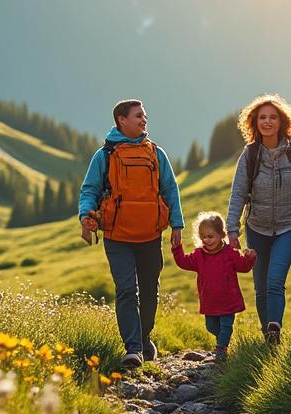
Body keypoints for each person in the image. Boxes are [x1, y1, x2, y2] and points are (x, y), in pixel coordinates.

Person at [78, 99, 184, 369]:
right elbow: (89, 190)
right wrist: (86, 217)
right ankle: (133, 348)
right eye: (138, 116)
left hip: (150, 234)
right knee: (126, 290)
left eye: (144, 115)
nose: (144, 120)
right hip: (117, 236)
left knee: (150, 291)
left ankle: (144, 336)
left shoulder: (156, 153)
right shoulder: (104, 156)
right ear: (121, 120)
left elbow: (170, 190)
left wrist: (177, 225)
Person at [225, 94, 291, 347]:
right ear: (254, 122)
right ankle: (268, 335)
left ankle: (274, 328)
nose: (267, 122)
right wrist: (232, 229)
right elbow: (238, 193)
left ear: (282, 121)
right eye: (262, 117)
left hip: (288, 226)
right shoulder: (250, 155)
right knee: (261, 286)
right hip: (257, 228)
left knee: (275, 281)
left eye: (273, 117)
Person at [172, 212, 257, 362]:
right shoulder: (199, 255)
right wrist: (177, 248)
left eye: (210, 236)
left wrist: (249, 258)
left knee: (226, 326)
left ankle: (221, 349)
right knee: (211, 327)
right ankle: (222, 342)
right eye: (203, 237)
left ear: (221, 235)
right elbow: (183, 262)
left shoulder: (230, 253)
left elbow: (243, 267)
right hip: (210, 301)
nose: (206, 240)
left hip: (228, 300)